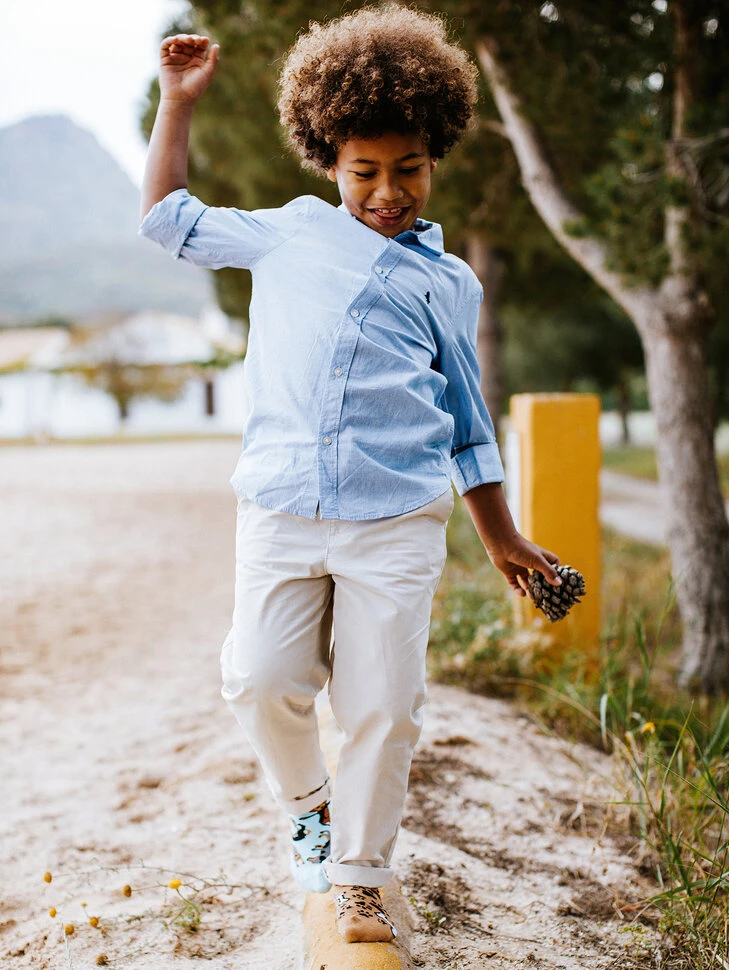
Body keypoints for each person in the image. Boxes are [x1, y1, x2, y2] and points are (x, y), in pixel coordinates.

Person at [139, 5, 561, 944]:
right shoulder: (285, 233)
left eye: (407, 169)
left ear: (435, 155)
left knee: (382, 705)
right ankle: (308, 806)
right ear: (327, 158)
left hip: (396, 522)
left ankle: (361, 876)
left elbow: (465, 419)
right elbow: (167, 221)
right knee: (257, 678)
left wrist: (500, 535)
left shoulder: (446, 282)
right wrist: (177, 103)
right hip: (281, 508)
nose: (387, 191)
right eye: (365, 171)